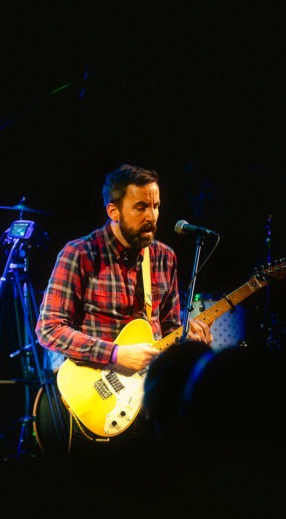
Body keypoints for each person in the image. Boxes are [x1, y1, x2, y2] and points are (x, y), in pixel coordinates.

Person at [35, 163, 212, 449]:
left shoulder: (164, 257)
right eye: (140, 207)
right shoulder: (80, 254)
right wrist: (115, 353)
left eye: (155, 206)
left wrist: (187, 339)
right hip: (98, 397)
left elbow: (169, 329)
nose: (152, 216)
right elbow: (48, 328)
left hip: (148, 399)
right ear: (113, 212)